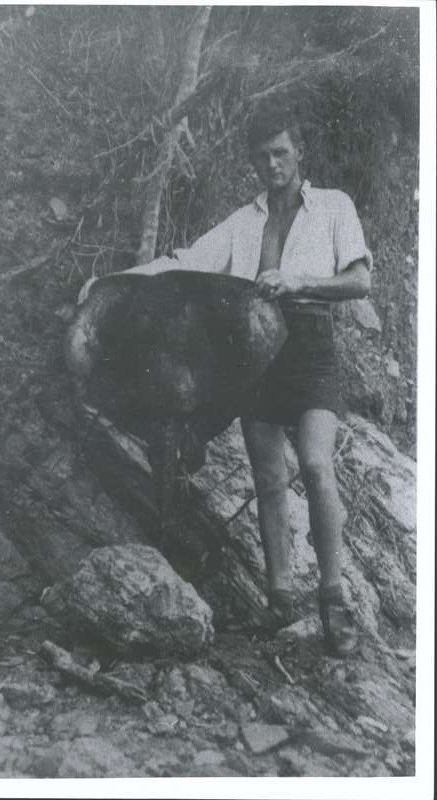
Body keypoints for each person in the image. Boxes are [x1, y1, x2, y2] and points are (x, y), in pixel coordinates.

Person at [78, 101, 372, 656]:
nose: (272, 164)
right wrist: (112, 282)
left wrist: (299, 281)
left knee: (313, 465)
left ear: (298, 151)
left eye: (280, 152)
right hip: (254, 353)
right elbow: (184, 260)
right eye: (261, 156)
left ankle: (334, 599)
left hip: (310, 345)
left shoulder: (333, 206)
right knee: (266, 480)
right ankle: (279, 597)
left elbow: (359, 282)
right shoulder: (245, 220)